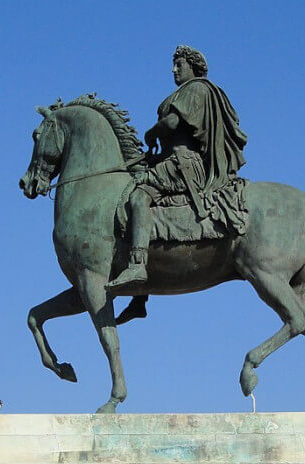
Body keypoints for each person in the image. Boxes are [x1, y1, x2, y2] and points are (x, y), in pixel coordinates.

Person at [107, 44, 247, 301]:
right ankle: (140, 298)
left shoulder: (196, 88)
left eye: (179, 65)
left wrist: (152, 132)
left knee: (138, 197)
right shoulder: (188, 91)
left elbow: (172, 122)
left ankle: (137, 265)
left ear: (192, 67)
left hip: (184, 163)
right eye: (174, 65)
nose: (174, 70)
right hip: (172, 160)